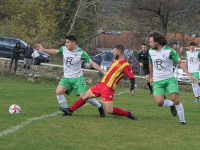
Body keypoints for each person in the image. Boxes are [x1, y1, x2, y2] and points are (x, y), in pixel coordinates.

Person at [60, 44, 137, 120]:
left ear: (119, 52)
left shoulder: (126, 65)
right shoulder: (115, 61)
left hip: (108, 88)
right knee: (85, 96)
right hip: (101, 85)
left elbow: (132, 77)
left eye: (114, 52)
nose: (113, 53)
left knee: (109, 111)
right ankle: (70, 111)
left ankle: (128, 114)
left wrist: (132, 88)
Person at [37, 35, 106, 117]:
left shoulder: (81, 52)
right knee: (58, 92)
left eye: (68, 42)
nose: (66, 44)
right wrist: (43, 49)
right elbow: (55, 51)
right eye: (66, 42)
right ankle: (67, 110)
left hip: (78, 78)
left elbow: (92, 63)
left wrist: (103, 71)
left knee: (84, 97)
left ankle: (99, 106)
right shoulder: (64, 49)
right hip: (67, 78)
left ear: (73, 43)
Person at [148, 31, 197, 125]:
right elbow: (150, 64)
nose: (150, 44)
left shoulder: (170, 51)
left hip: (169, 79)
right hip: (157, 81)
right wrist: (151, 77)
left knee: (176, 99)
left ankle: (182, 121)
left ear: (156, 42)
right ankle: (171, 104)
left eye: (151, 42)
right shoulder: (150, 52)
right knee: (159, 102)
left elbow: (180, 63)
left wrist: (189, 74)